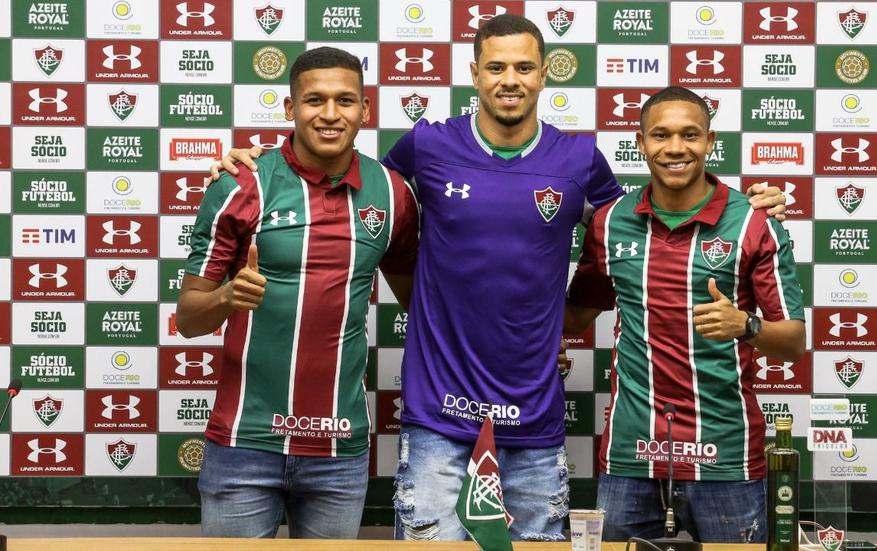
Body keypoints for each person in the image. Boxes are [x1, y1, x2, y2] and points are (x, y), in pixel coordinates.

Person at [213, 15, 786, 542]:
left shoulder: (579, 160)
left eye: (523, 67)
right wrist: (262, 164)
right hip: (437, 411)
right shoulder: (428, 145)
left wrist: (749, 205)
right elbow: (347, 182)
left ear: (545, 74)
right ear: (475, 74)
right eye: (496, 67)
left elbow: (648, 218)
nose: (510, 80)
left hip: (533, 416)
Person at [176, 46, 419, 538]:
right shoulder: (241, 184)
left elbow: (425, 306)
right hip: (245, 444)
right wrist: (227, 298)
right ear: (290, 108)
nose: (330, 114)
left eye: (344, 100)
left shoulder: (392, 193)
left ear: (365, 109)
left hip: (338, 448)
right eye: (314, 100)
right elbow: (188, 319)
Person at [563, 86, 806, 543]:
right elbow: (574, 318)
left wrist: (745, 325)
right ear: (641, 143)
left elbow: (793, 343)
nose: (675, 147)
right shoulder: (609, 222)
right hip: (631, 456)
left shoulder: (754, 222)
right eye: (661, 135)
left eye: (690, 135)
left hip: (726, 459)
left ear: (710, 141)